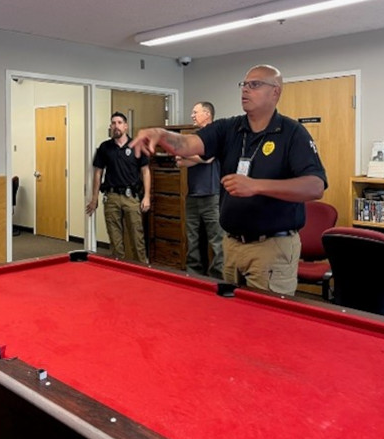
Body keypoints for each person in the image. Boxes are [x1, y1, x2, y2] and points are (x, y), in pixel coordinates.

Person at [130, 65, 327, 295]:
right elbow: (187, 144)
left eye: (254, 85)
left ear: (275, 92)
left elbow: (315, 186)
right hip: (232, 246)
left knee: (265, 325)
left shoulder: (292, 133)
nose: (245, 90)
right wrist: (161, 134)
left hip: (272, 248)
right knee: (232, 321)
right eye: (244, 84)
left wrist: (256, 186)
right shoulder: (229, 128)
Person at [86, 111, 151, 263]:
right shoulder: (105, 147)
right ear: (110, 127)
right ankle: (118, 271)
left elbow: (145, 171)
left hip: (131, 197)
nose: (116, 126)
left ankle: (142, 270)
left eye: (119, 123)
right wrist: (94, 198)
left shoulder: (137, 145)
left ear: (126, 126)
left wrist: (147, 196)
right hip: (112, 197)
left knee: (137, 237)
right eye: (113, 123)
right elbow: (98, 173)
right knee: (115, 240)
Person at [176, 101, 224, 279]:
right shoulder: (192, 138)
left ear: (207, 114)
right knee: (193, 240)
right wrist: (200, 158)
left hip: (212, 196)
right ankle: (194, 277)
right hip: (193, 196)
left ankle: (217, 279)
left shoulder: (217, 135)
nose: (192, 115)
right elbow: (179, 161)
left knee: (218, 241)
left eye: (195, 112)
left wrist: (193, 156)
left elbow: (209, 158)